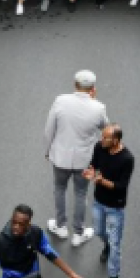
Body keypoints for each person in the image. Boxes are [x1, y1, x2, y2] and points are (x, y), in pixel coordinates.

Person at [44, 69, 109, 244]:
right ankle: (78, 233)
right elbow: (106, 130)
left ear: (75, 84)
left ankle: (61, 226)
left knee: (59, 189)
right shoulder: (98, 107)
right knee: (81, 194)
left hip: (60, 157)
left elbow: (49, 129)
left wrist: (48, 150)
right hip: (84, 160)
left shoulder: (60, 101)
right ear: (93, 88)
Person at [88, 124, 134, 278]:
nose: (101, 140)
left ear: (116, 140)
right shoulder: (99, 148)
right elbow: (94, 164)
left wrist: (101, 181)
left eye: (106, 137)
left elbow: (121, 187)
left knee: (116, 244)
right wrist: (91, 172)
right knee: (99, 231)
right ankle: (105, 244)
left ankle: (113, 277)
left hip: (115, 206)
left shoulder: (127, 159)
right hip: (99, 201)